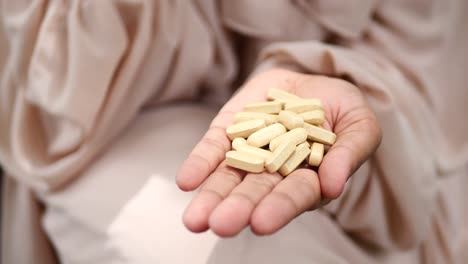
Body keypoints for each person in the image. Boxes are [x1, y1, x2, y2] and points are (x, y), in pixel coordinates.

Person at [1, 1, 467, 263]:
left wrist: (327, 77)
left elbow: (417, 70)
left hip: (370, 165)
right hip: (109, 128)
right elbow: (61, 85)